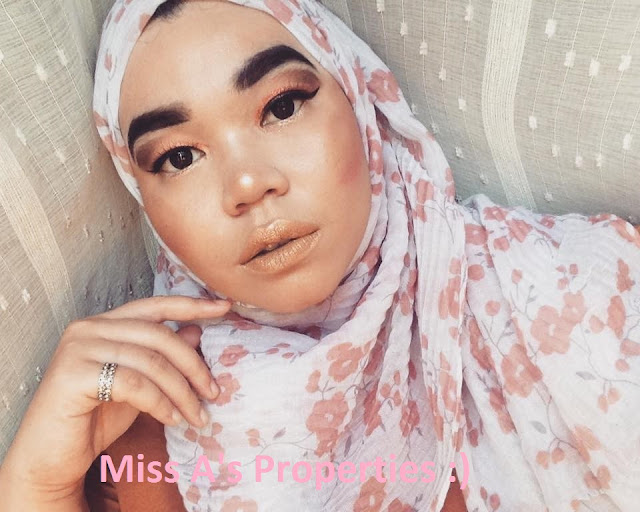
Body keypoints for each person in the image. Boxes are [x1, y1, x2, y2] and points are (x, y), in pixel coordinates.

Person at [2, 0, 640, 510]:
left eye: (281, 107)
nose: (247, 183)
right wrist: (39, 484)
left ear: (360, 101)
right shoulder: (157, 432)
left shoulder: (583, 286)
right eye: (179, 156)